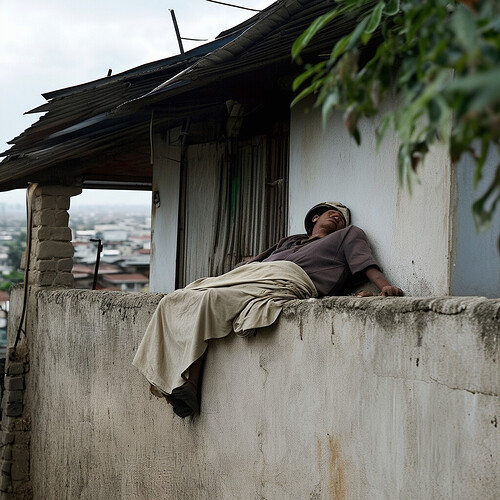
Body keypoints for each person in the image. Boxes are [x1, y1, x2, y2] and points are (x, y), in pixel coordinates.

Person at [132, 202, 403, 418]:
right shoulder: (289, 242)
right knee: (174, 299)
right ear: (314, 219)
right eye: (331, 213)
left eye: (342, 218)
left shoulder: (348, 236)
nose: (337, 218)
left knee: (210, 299)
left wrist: (385, 286)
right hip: (253, 275)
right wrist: (229, 277)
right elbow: (252, 264)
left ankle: (190, 382)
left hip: (290, 278)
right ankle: (172, 381)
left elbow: (365, 262)